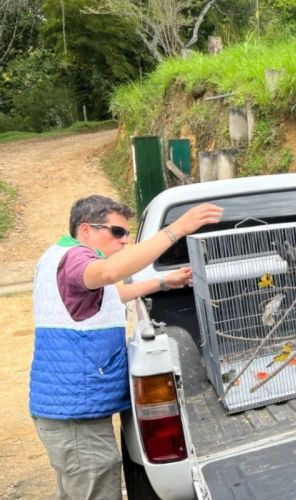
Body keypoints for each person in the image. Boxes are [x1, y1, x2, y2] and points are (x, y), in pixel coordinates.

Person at [29, 195, 222, 500]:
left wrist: (162, 283)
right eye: (117, 232)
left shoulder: (62, 258)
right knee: (96, 481)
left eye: (126, 234)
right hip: (75, 413)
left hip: (73, 406)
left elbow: (111, 292)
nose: (124, 241)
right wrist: (177, 229)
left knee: (77, 488)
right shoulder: (76, 258)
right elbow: (109, 274)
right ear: (86, 230)